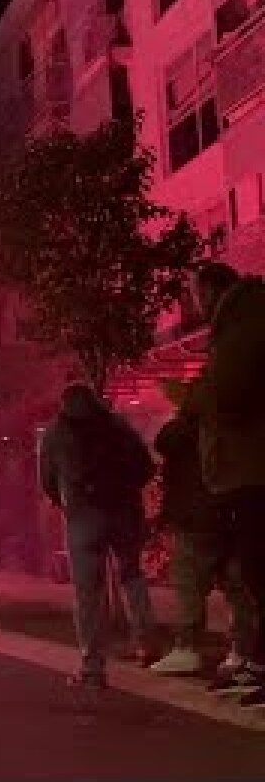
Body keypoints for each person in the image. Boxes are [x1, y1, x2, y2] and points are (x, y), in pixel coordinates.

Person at [40, 382, 157, 688]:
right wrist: (127, 493)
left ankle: (93, 667)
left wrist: (66, 503)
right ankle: (149, 647)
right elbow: (145, 465)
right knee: (132, 576)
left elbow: (47, 480)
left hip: (83, 517)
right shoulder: (117, 424)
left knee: (88, 591)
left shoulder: (55, 432)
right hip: (124, 512)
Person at [189, 262, 265, 706]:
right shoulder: (239, 322)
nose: (194, 302)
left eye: (196, 292)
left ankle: (253, 658)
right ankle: (253, 658)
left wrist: (197, 397)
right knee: (249, 569)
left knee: (257, 568)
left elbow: (227, 389)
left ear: (215, 288)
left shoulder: (245, 318)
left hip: (251, 470)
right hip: (241, 470)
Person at [148, 379, 254, 676]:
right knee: (236, 585)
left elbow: (164, 441)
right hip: (229, 513)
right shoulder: (233, 427)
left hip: (196, 518)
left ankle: (187, 647)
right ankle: (243, 650)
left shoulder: (186, 428)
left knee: (188, 583)